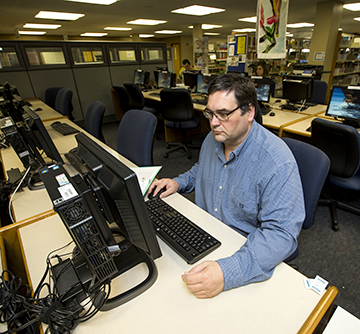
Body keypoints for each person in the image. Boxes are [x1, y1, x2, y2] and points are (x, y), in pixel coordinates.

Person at [148, 73, 305, 298]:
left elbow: (281, 235)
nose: (212, 123)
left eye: (223, 114)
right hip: (205, 233)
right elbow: (201, 170)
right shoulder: (215, 137)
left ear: (249, 112)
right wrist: (178, 182)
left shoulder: (277, 161)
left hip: (243, 250)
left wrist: (228, 272)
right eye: (210, 113)